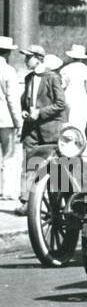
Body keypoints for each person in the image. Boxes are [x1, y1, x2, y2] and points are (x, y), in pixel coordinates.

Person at [18, 44, 67, 214]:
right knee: (28, 164)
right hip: (31, 129)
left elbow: (61, 104)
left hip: (50, 129)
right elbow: (26, 101)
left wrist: (40, 113)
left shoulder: (52, 78)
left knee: (55, 166)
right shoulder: (28, 78)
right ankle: (26, 202)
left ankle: (59, 202)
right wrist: (25, 111)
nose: (25, 60)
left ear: (38, 59)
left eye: (28, 57)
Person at [0, 37, 24, 208]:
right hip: (5, 118)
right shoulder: (8, 71)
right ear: (7, 52)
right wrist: (19, 122)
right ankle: (7, 191)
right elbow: (12, 100)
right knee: (8, 154)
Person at [61, 43, 87, 138]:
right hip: (81, 98)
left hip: (68, 97)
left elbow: (62, 85)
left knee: (69, 123)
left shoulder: (65, 69)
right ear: (82, 58)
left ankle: (68, 146)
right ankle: (79, 145)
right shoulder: (86, 69)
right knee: (80, 125)